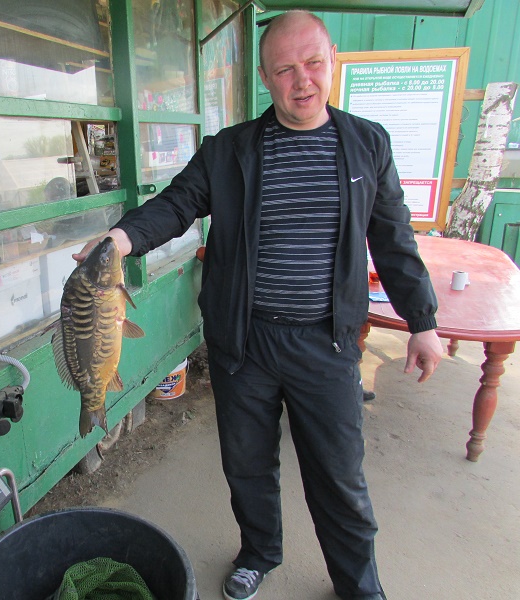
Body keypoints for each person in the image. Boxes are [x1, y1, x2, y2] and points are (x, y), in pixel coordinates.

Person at [75, 10, 443, 600]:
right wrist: (119, 240)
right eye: (285, 70)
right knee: (246, 463)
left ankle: (357, 583)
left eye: (313, 63)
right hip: (244, 341)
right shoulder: (229, 151)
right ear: (266, 78)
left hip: (326, 341)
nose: (303, 81)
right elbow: (177, 203)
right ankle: (260, 552)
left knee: (339, 475)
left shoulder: (366, 144)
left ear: (333, 60)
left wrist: (421, 321)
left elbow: (394, 238)